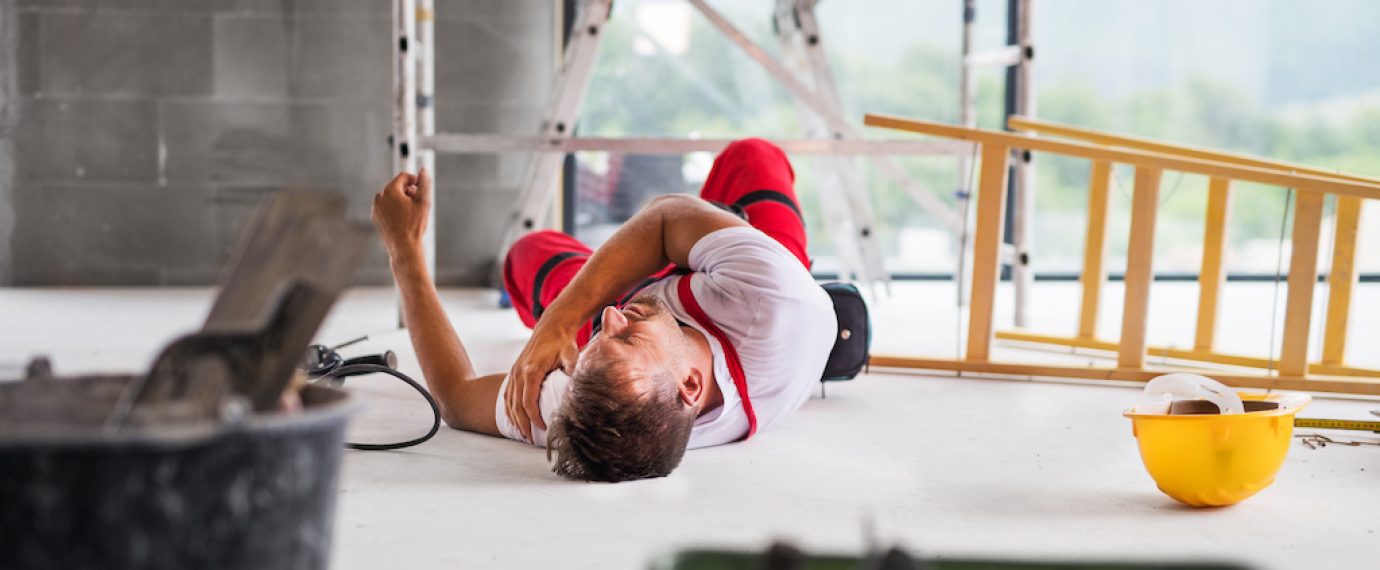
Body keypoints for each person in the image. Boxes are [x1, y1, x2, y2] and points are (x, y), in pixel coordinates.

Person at [372, 139, 836, 482]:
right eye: (626, 340)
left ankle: (688, 240)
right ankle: (716, 227)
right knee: (752, 155)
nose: (611, 318)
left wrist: (403, 249)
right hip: (751, 284)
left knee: (526, 253)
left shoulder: (591, 404)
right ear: (690, 385)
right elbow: (666, 214)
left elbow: (456, 397)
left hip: (667, 303)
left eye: (597, 344)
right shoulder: (775, 299)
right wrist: (564, 319)